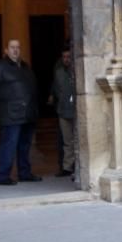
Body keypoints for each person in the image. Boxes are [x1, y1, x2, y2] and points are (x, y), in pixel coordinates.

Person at [0, 39, 41, 185]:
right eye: (12, 47)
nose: (15, 50)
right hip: (10, 114)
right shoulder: (0, 67)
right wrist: (2, 107)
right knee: (8, 145)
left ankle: (24, 173)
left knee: (25, 145)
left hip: (27, 113)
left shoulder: (25, 66)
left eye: (17, 47)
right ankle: (3, 176)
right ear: (6, 50)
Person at [50, 49, 76, 178]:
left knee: (78, 140)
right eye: (64, 56)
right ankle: (67, 167)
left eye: (68, 56)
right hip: (63, 110)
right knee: (67, 141)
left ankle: (78, 168)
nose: (66, 59)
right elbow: (55, 89)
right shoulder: (58, 72)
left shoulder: (77, 71)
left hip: (76, 111)